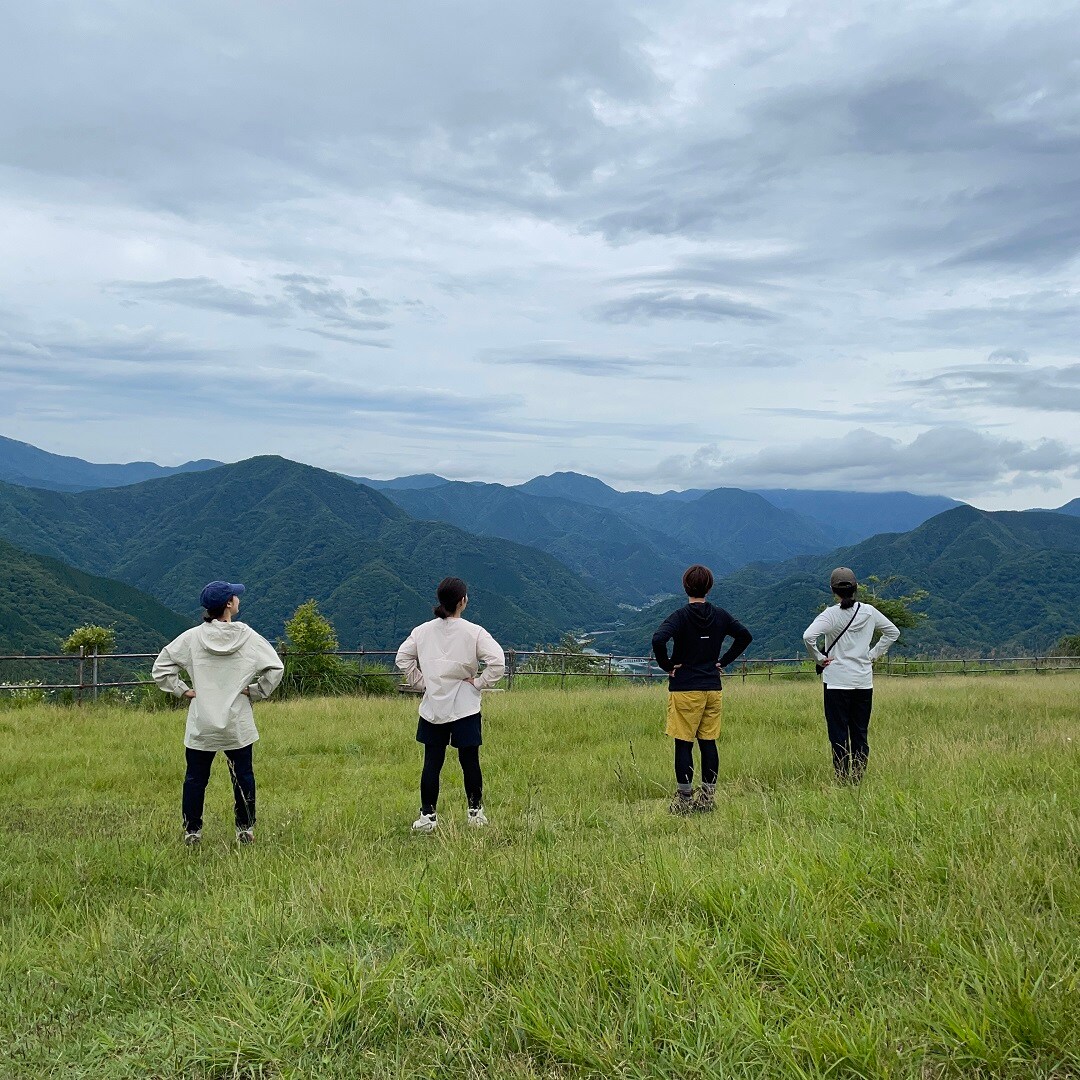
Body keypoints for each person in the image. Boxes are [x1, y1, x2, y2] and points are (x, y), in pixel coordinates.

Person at [152, 581, 284, 845]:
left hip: (202, 720)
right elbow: (275, 669)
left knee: (195, 778)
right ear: (228, 604)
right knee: (243, 776)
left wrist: (183, 690)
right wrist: (256, 691)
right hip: (237, 720)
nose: (237, 599)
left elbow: (161, 668)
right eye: (235, 597)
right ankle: (244, 829)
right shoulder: (249, 638)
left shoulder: (191, 638)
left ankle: (192, 831)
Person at [395, 577, 505, 833]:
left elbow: (403, 658)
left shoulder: (422, 631)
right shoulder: (474, 632)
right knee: (470, 762)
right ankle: (475, 814)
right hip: (465, 705)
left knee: (432, 762)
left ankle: (427, 817)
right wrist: (479, 683)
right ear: (463, 601)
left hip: (433, 705)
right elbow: (497, 661)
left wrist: (423, 683)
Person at [651, 564, 753, 815]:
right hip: (712, 688)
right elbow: (744, 636)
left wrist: (666, 665)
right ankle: (707, 799)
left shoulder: (680, 616)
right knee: (709, 743)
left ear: (685, 586)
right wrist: (724, 661)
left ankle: (684, 800)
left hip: (685, 688)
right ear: (709, 587)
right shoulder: (720, 615)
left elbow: (658, 639)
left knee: (683, 744)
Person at [802, 567, 900, 783]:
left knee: (838, 733)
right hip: (863, 681)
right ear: (856, 588)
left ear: (833, 590)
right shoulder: (868, 612)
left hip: (836, 682)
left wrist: (819, 658)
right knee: (860, 732)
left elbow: (808, 637)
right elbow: (893, 632)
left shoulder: (830, 614)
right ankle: (858, 777)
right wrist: (872, 655)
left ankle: (841, 777)